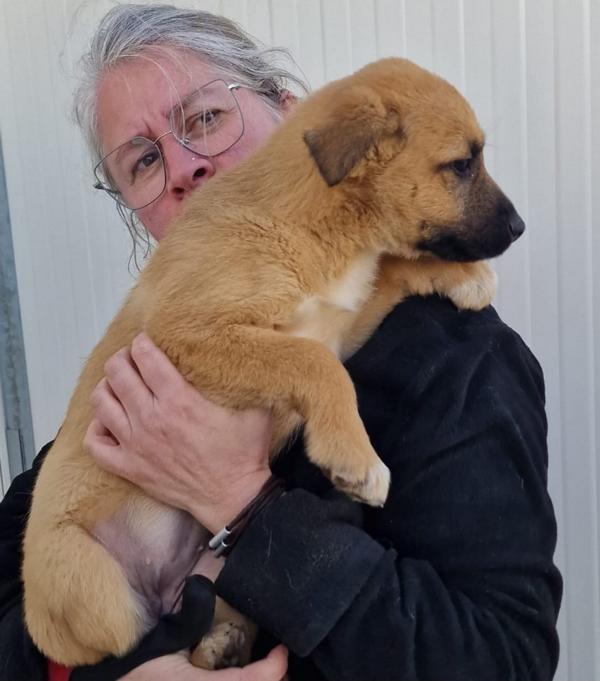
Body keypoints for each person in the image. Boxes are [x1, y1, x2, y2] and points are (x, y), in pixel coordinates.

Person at [0, 4, 562, 681]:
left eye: (205, 118)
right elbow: (22, 580)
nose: (182, 168)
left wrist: (244, 502)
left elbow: (501, 658)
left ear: (294, 116)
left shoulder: (462, 365)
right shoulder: (145, 363)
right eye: (143, 160)